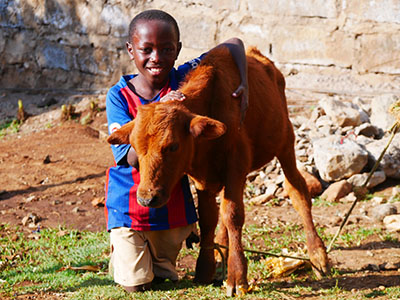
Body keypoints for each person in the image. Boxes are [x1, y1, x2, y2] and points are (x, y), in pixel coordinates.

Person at [105, 9, 248, 293]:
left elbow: (234, 43)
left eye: (166, 49)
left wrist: (244, 82)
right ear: (130, 50)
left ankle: (152, 254)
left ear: (178, 50)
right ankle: (121, 253)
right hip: (129, 201)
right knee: (135, 285)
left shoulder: (182, 78)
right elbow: (128, 157)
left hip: (171, 205)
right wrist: (162, 114)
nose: (157, 57)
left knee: (162, 279)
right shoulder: (118, 97)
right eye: (147, 50)